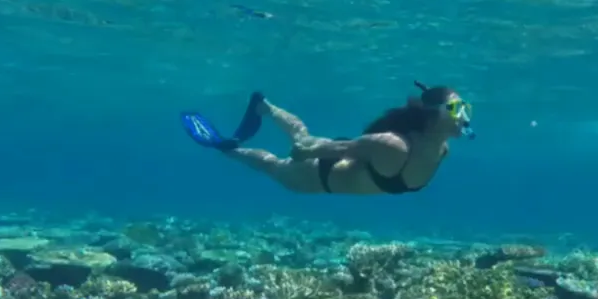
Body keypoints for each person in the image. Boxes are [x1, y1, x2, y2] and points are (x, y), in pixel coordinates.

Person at [181, 82, 473, 195]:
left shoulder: (442, 149)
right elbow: (314, 150)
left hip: (346, 158)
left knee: (302, 134)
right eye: (457, 108)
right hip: (316, 175)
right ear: (433, 114)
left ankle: (265, 107)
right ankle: (227, 149)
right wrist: (304, 153)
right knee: (273, 164)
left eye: (466, 108)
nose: (465, 115)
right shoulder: (395, 146)